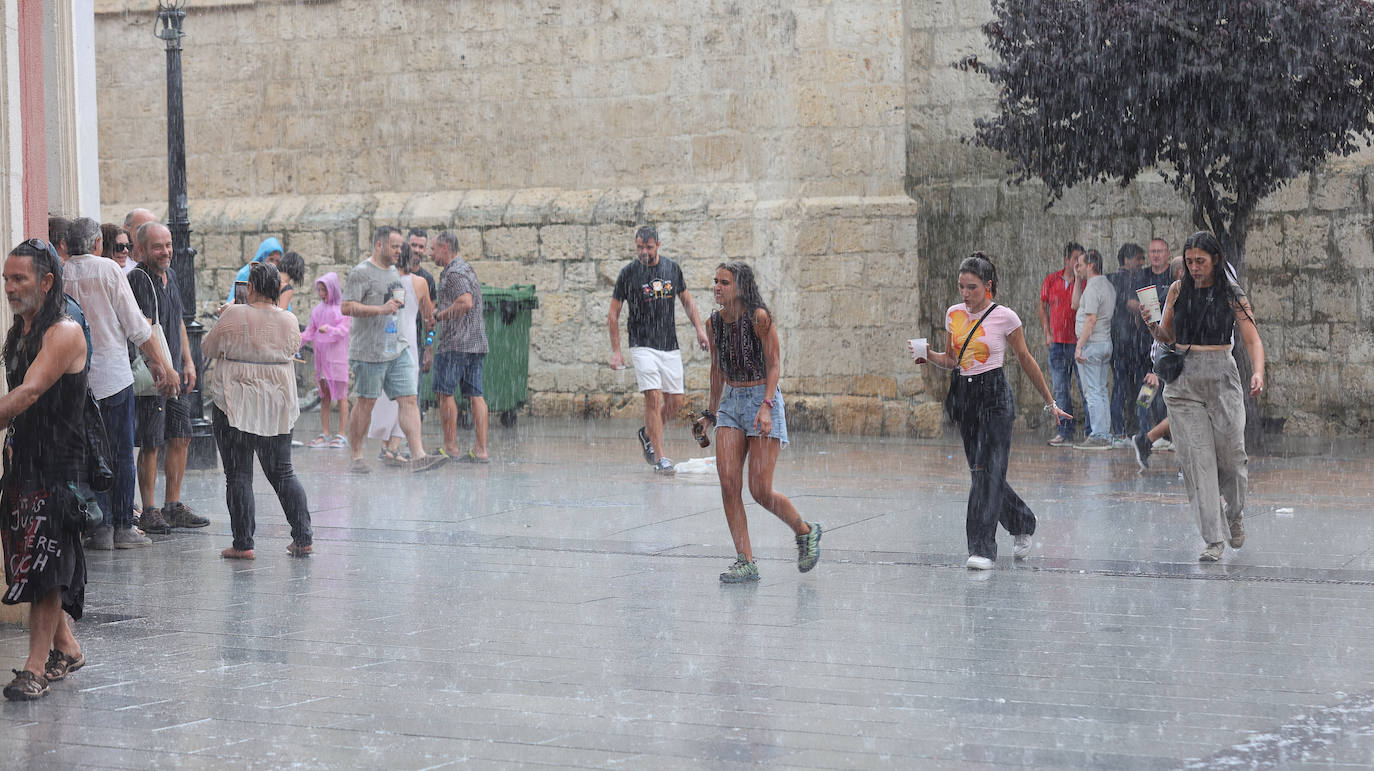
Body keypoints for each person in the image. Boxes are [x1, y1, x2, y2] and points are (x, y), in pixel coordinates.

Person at [913, 253, 1072, 570]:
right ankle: (1023, 521)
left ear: (988, 286)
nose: (965, 294)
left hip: (995, 397)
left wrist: (1050, 401)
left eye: (972, 287)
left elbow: (1025, 359)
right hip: (964, 397)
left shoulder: (1005, 317)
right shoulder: (954, 314)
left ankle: (982, 548)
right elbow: (952, 359)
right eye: (961, 287)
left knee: (986, 471)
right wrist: (928, 354)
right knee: (983, 473)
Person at [0, 239, 92, 700]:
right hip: (25, 459)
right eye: (6, 280)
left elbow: (29, 393)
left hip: (58, 463)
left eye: (19, 279)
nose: (10, 288)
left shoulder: (64, 331)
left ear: (47, 281)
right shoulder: (21, 330)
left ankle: (34, 669)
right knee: (26, 555)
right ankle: (67, 648)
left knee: (46, 562)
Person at [694, 261, 819, 583]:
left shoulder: (759, 318)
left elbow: (775, 365)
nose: (716, 287)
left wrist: (765, 407)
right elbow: (717, 370)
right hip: (731, 403)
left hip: (762, 397)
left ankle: (804, 531)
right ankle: (745, 560)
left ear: (740, 287)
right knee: (728, 483)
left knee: (760, 490)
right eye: (715, 281)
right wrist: (710, 414)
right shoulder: (714, 323)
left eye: (724, 282)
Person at [56, 219, 177, 550]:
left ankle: (99, 526)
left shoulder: (62, 273)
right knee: (120, 453)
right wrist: (161, 363)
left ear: (67, 245)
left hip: (77, 378)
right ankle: (122, 526)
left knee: (87, 454)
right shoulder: (108, 270)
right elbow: (137, 326)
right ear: (97, 244)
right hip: (112, 375)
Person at [1143, 231, 1263, 561]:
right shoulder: (1177, 290)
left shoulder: (1231, 293)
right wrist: (1153, 325)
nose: (1194, 268)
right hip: (1183, 383)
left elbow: (1252, 337)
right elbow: (1167, 334)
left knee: (1233, 457)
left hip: (1222, 375)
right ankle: (1212, 539)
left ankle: (1234, 513)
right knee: (1198, 462)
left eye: (1201, 262)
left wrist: (1257, 371)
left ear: (1215, 261)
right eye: (1190, 261)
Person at [203, 262, 313, 560]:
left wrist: (229, 318)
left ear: (249, 288)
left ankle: (243, 543)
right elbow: (292, 347)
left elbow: (208, 347)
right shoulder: (289, 319)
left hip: (234, 401)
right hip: (277, 402)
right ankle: (303, 537)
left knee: (238, 475)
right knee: (283, 472)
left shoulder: (234, 313)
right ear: (277, 289)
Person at [128, 222, 210, 533]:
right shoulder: (139, 279)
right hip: (155, 376)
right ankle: (149, 509)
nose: (166, 251)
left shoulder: (171, 275)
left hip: (175, 371)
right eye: (158, 246)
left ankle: (172, 505)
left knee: (181, 435)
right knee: (152, 442)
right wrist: (164, 366)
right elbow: (144, 331)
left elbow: (176, 323)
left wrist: (188, 362)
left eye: (168, 245)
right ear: (142, 250)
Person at [342, 226, 446, 473]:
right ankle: (356, 455)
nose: (401, 251)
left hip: (397, 348)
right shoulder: (361, 273)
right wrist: (380, 309)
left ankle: (418, 454)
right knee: (366, 402)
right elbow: (346, 307)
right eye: (395, 246)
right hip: (369, 350)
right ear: (379, 246)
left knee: (409, 398)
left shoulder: (392, 271)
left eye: (401, 246)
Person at [608, 225, 709, 474]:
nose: (643, 251)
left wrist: (700, 329)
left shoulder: (671, 269)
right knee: (653, 397)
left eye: (648, 247)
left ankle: (647, 433)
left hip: (669, 345)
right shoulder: (628, 273)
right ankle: (661, 458)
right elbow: (613, 314)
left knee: (676, 400)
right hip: (642, 345)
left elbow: (687, 302)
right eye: (639, 247)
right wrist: (616, 351)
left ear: (658, 246)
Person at [365, 242, 433, 462]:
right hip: (409, 342)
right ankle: (393, 447)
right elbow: (429, 319)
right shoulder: (420, 283)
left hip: (386, 341)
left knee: (388, 396)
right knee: (407, 396)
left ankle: (388, 445)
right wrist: (429, 344)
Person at [431, 230, 490, 462]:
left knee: (444, 393)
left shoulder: (454, 273)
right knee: (475, 395)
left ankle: (451, 446)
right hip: (475, 343)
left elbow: (465, 302)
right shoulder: (466, 268)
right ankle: (481, 449)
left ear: (445, 248)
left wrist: (440, 315)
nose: (430, 254)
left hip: (456, 343)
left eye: (433, 249)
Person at [1040, 242, 1088, 445]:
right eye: (1075, 258)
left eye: (1081, 259)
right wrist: (1047, 333)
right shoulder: (1051, 280)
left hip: (1079, 344)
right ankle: (1064, 432)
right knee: (1060, 389)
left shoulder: (1085, 282)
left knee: (1087, 388)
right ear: (1066, 260)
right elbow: (1042, 307)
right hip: (1058, 343)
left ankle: (1091, 432)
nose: (1078, 263)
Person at [1070, 248, 1116, 450]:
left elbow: (1091, 319)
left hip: (1092, 344)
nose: (1077, 267)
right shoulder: (1106, 285)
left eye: (1080, 264)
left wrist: (1079, 346)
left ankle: (1098, 434)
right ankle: (1104, 433)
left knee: (1093, 392)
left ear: (1090, 265)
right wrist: (1078, 279)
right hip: (1105, 342)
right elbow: (1075, 305)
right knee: (1101, 390)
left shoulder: (1093, 288)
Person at [300, 272, 351, 450]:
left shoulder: (343, 309)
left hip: (337, 360)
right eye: (319, 290)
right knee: (325, 397)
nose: (322, 294)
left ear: (333, 289)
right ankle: (325, 433)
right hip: (322, 362)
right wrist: (295, 340)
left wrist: (328, 329)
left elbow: (343, 330)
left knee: (342, 397)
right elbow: (309, 331)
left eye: (324, 290)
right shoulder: (317, 310)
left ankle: (342, 434)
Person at [1133, 239, 1175, 447]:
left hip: (1167, 347)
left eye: (1160, 251)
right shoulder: (1143, 276)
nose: (1156, 255)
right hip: (1146, 345)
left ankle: (1165, 436)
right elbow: (1133, 306)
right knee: (1144, 397)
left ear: (1167, 253)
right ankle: (1146, 434)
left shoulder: (1173, 278)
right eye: (1152, 252)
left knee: (1166, 397)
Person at [1108, 243, 1146, 441]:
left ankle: (1135, 428)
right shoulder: (1116, 279)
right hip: (1124, 344)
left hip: (1132, 344)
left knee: (1135, 388)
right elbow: (1128, 303)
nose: (1142, 263)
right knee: (1126, 388)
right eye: (1139, 258)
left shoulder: (1133, 278)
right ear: (1128, 259)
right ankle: (1127, 430)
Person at [227, 237, 283, 304]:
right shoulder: (246, 273)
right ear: (263, 257)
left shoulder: (275, 275)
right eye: (271, 259)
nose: (274, 264)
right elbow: (238, 298)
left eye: (277, 261)